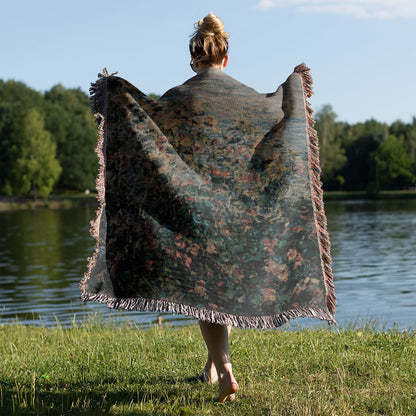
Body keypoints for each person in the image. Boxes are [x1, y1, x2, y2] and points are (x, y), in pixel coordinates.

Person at [187, 12, 239, 403]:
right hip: (237, 208)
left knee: (206, 295)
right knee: (222, 292)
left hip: (197, 208)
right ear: (225, 58)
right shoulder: (245, 96)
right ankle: (209, 367)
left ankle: (226, 372)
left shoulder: (181, 96)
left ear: (195, 60)